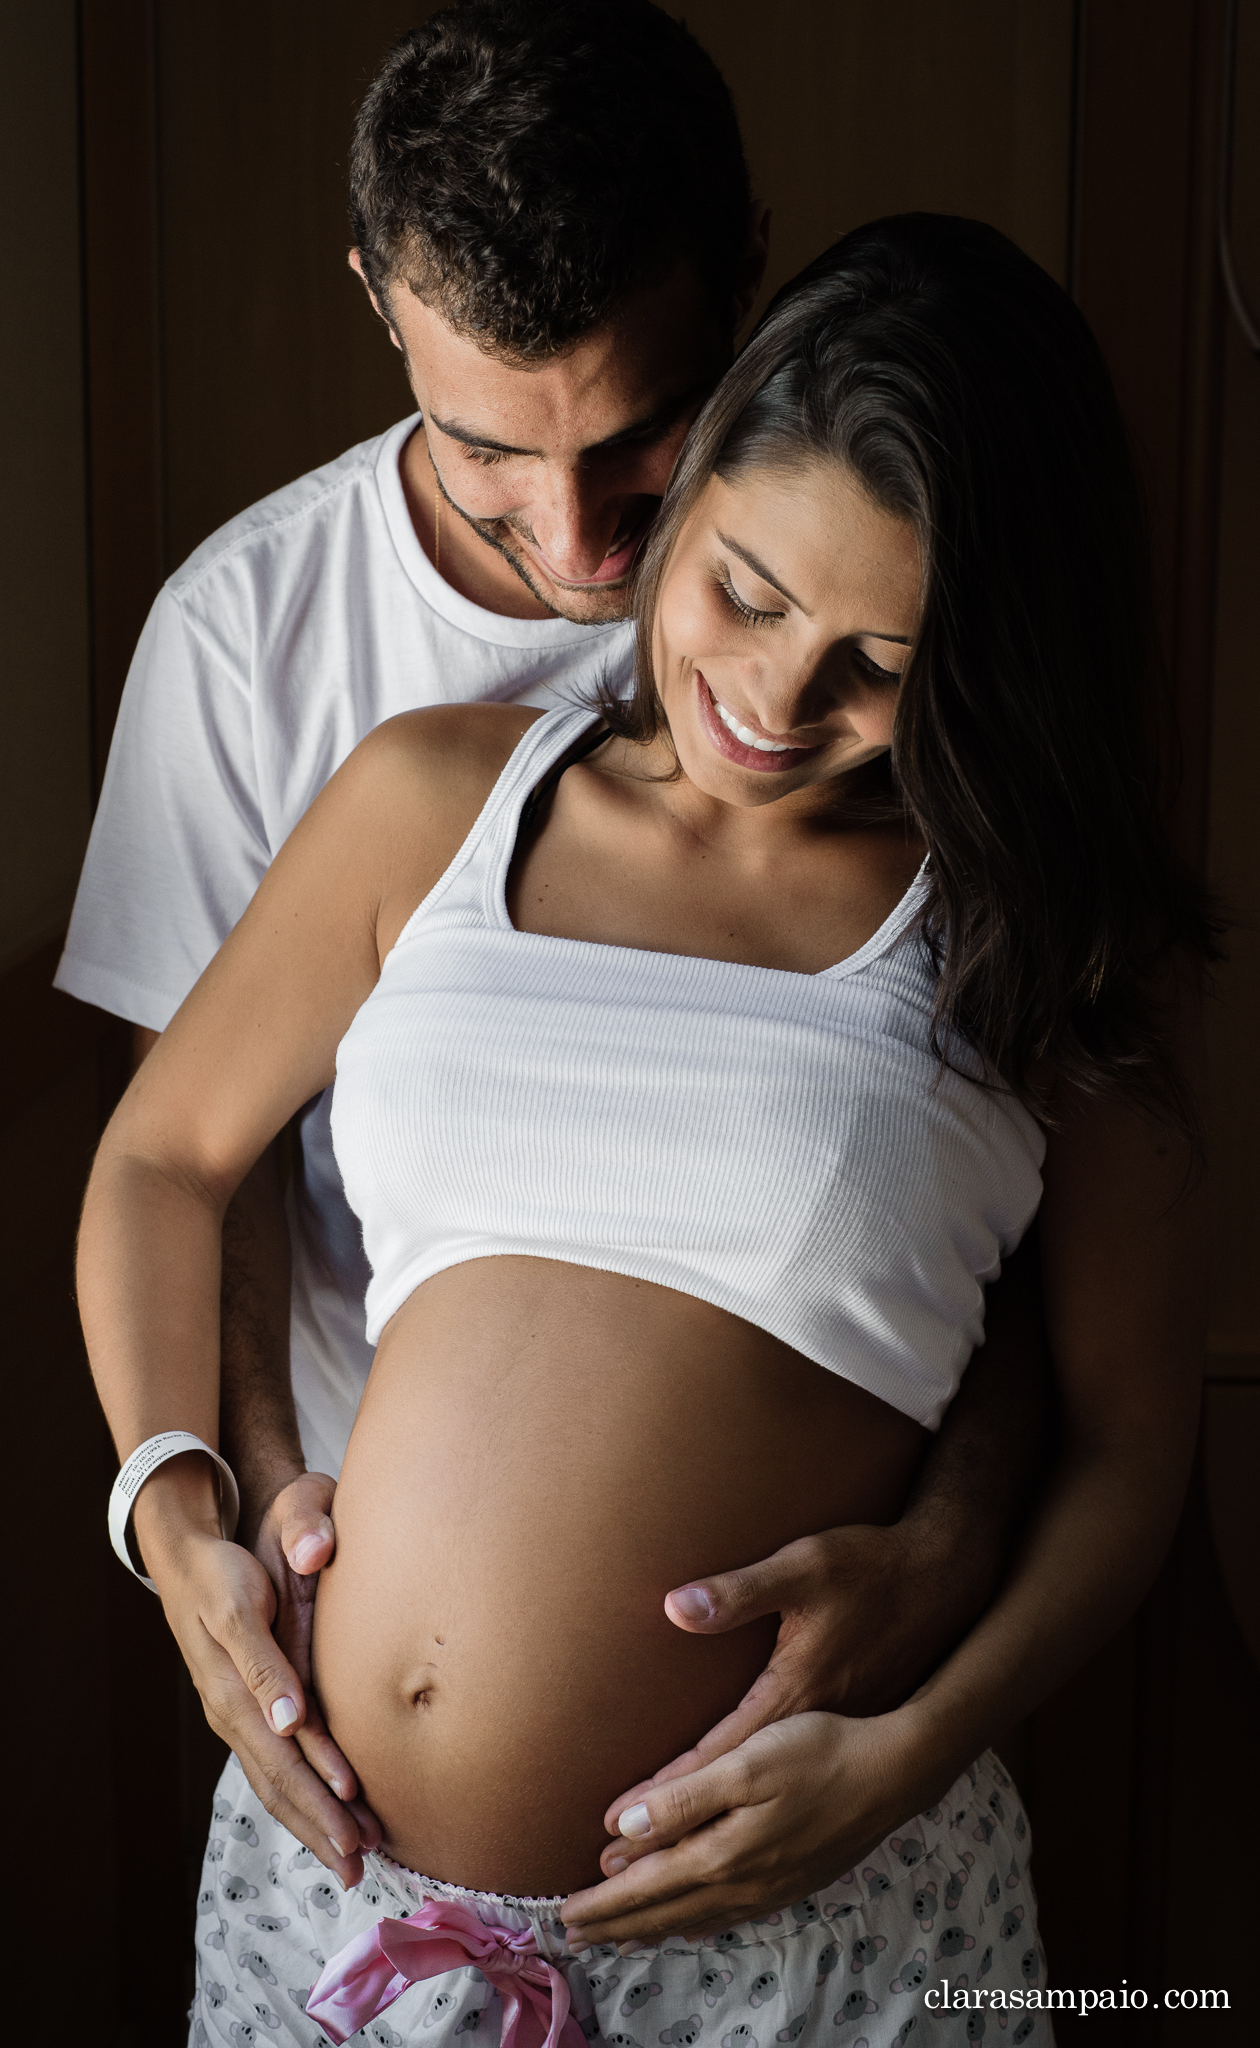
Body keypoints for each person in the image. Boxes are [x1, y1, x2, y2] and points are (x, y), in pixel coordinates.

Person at [77, 213, 1208, 2047]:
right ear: (687, 502)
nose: (774, 701)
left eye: (880, 659)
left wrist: (916, 1753)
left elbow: (1130, 1444)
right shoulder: (435, 797)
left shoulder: (1038, 941)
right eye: (748, 594)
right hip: (344, 1905)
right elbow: (163, 1156)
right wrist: (172, 1502)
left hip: (817, 1921)